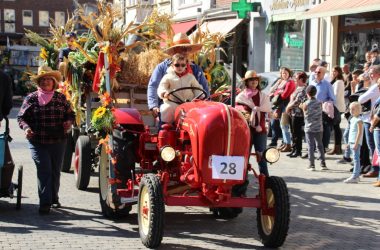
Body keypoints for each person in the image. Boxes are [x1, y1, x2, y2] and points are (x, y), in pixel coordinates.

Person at [17, 65, 74, 214]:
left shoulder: (61, 98)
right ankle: (45, 203)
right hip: (38, 141)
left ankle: (53, 198)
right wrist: (26, 128)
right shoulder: (31, 98)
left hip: (58, 141)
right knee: (44, 170)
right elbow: (21, 117)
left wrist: (69, 121)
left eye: (49, 79)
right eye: (42, 80)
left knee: (55, 171)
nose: (46, 82)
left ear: (54, 82)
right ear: (39, 82)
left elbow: (70, 114)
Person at [147, 33, 209, 119]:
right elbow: (154, 86)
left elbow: (203, 88)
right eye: (182, 48)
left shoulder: (196, 69)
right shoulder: (162, 68)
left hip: (191, 106)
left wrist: (204, 101)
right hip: (170, 104)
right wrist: (154, 105)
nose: (185, 51)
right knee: (165, 112)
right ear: (174, 50)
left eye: (187, 48)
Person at [236, 70, 271, 176]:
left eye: (255, 80)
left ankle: (265, 183)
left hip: (260, 130)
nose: (254, 82)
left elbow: (267, 110)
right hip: (246, 131)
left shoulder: (263, 96)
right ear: (246, 82)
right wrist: (245, 113)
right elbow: (238, 111)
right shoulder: (241, 97)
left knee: (262, 157)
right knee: (244, 156)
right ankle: (241, 184)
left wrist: (260, 124)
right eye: (251, 80)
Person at [157, 53, 204, 124]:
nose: (180, 67)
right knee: (166, 108)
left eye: (183, 65)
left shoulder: (190, 77)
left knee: (198, 110)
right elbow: (162, 87)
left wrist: (200, 95)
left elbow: (196, 88)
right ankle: (166, 127)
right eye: (177, 65)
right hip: (173, 103)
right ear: (172, 66)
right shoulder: (168, 77)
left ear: (186, 66)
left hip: (189, 103)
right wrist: (164, 93)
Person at [359, 65, 380, 178]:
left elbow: (360, 99)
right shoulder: (374, 86)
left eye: (373, 73)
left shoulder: (375, 87)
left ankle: (375, 169)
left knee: (373, 147)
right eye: (370, 73)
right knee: (374, 147)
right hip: (371, 118)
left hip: (372, 120)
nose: (371, 75)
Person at [268, 67, 295, 152]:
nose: (284, 74)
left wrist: (277, 92)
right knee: (281, 125)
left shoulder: (290, 82)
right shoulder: (281, 81)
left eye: (286, 73)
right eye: (283, 73)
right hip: (280, 106)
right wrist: (278, 90)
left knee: (284, 126)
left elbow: (284, 95)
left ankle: (288, 144)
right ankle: (285, 143)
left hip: (285, 106)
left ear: (289, 73)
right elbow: (271, 91)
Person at [310, 66, 336, 150]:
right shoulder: (312, 83)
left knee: (325, 129)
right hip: (312, 110)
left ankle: (324, 147)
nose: (316, 74)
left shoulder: (327, 84)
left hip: (323, 110)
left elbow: (332, 98)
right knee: (312, 129)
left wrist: (324, 103)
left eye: (319, 72)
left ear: (324, 74)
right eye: (316, 72)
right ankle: (312, 148)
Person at [302, 85, 327, 171]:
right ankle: (323, 163)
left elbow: (305, 115)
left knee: (310, 146)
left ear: (307, 93)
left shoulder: (305, 103)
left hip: (309, 128)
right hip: (319, 127)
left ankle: (311, 164)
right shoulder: (320, 102)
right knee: (320, 145)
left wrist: (302, 108)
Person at [285, 71, 307, 158]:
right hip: (292, 113)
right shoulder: (297, 88)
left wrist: (288, 107)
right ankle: (294, 149)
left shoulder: (304, 89)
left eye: (296, 78)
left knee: (297, 133)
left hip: (298, 114)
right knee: (293, 132)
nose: (294, 80)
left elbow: (297, 101)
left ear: (301, 79)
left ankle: (298, 150)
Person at [343, 102, 363, 183]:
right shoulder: (352, 119)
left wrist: (356, 143)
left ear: (359, 110)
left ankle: (355, 176)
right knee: (355, 159)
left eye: (353, 109)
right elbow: (351, 132)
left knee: (356, 159)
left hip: (355, 142)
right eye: (350, 109)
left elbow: (359, 132)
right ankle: (356, 176)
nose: (351, 111)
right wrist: (348, 143)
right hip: (351, 142)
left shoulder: (359, 120)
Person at [327, 66, 345, 155]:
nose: (333, 73)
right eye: (332, 71)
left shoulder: (338, 82)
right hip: (335, 106)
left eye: (335, 71)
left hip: (336, 107)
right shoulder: (336, 81)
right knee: (336, 127)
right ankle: (337, 148)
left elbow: (335, 95)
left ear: (339, 72)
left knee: (336, 127)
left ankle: (337, 148)